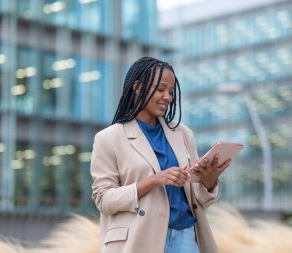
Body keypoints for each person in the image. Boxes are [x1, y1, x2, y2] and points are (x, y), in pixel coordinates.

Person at [90, 56, 231, 253]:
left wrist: (209, 181)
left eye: (171, 91)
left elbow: (197, 200)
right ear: (138, 87)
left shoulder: (183, 134)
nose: (168, 97)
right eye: (161, 89)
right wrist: (154, 180)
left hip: (186, 237)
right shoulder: (109, 138)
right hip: (140, 239)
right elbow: (104, 200)